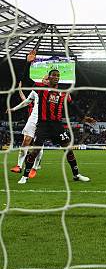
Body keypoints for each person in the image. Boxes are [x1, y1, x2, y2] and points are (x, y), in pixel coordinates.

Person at [18, 50, 96, 184]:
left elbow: (73, 105)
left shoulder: (63, 93)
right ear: (48, 78)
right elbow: (25, 80)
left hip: (57, 125)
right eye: (53, 75)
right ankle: (24, 176)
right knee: (35, 151)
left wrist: (84, 117)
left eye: (58, 75)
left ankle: (76, 175)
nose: (56, 77)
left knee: (68, 149)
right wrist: (28, 63)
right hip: (43, 124)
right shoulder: (40, 88)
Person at [8, 79, 48, 175]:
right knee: (25, 141)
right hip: (33, 119)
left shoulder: (53, 92)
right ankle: (19, 166)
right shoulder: (35, 92)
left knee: (38, 147)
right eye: (44, 79)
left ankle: (34, 167)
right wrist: (13, 108)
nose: (45, 80)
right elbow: (25, 100)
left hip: (44, 121)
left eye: (47, 79)